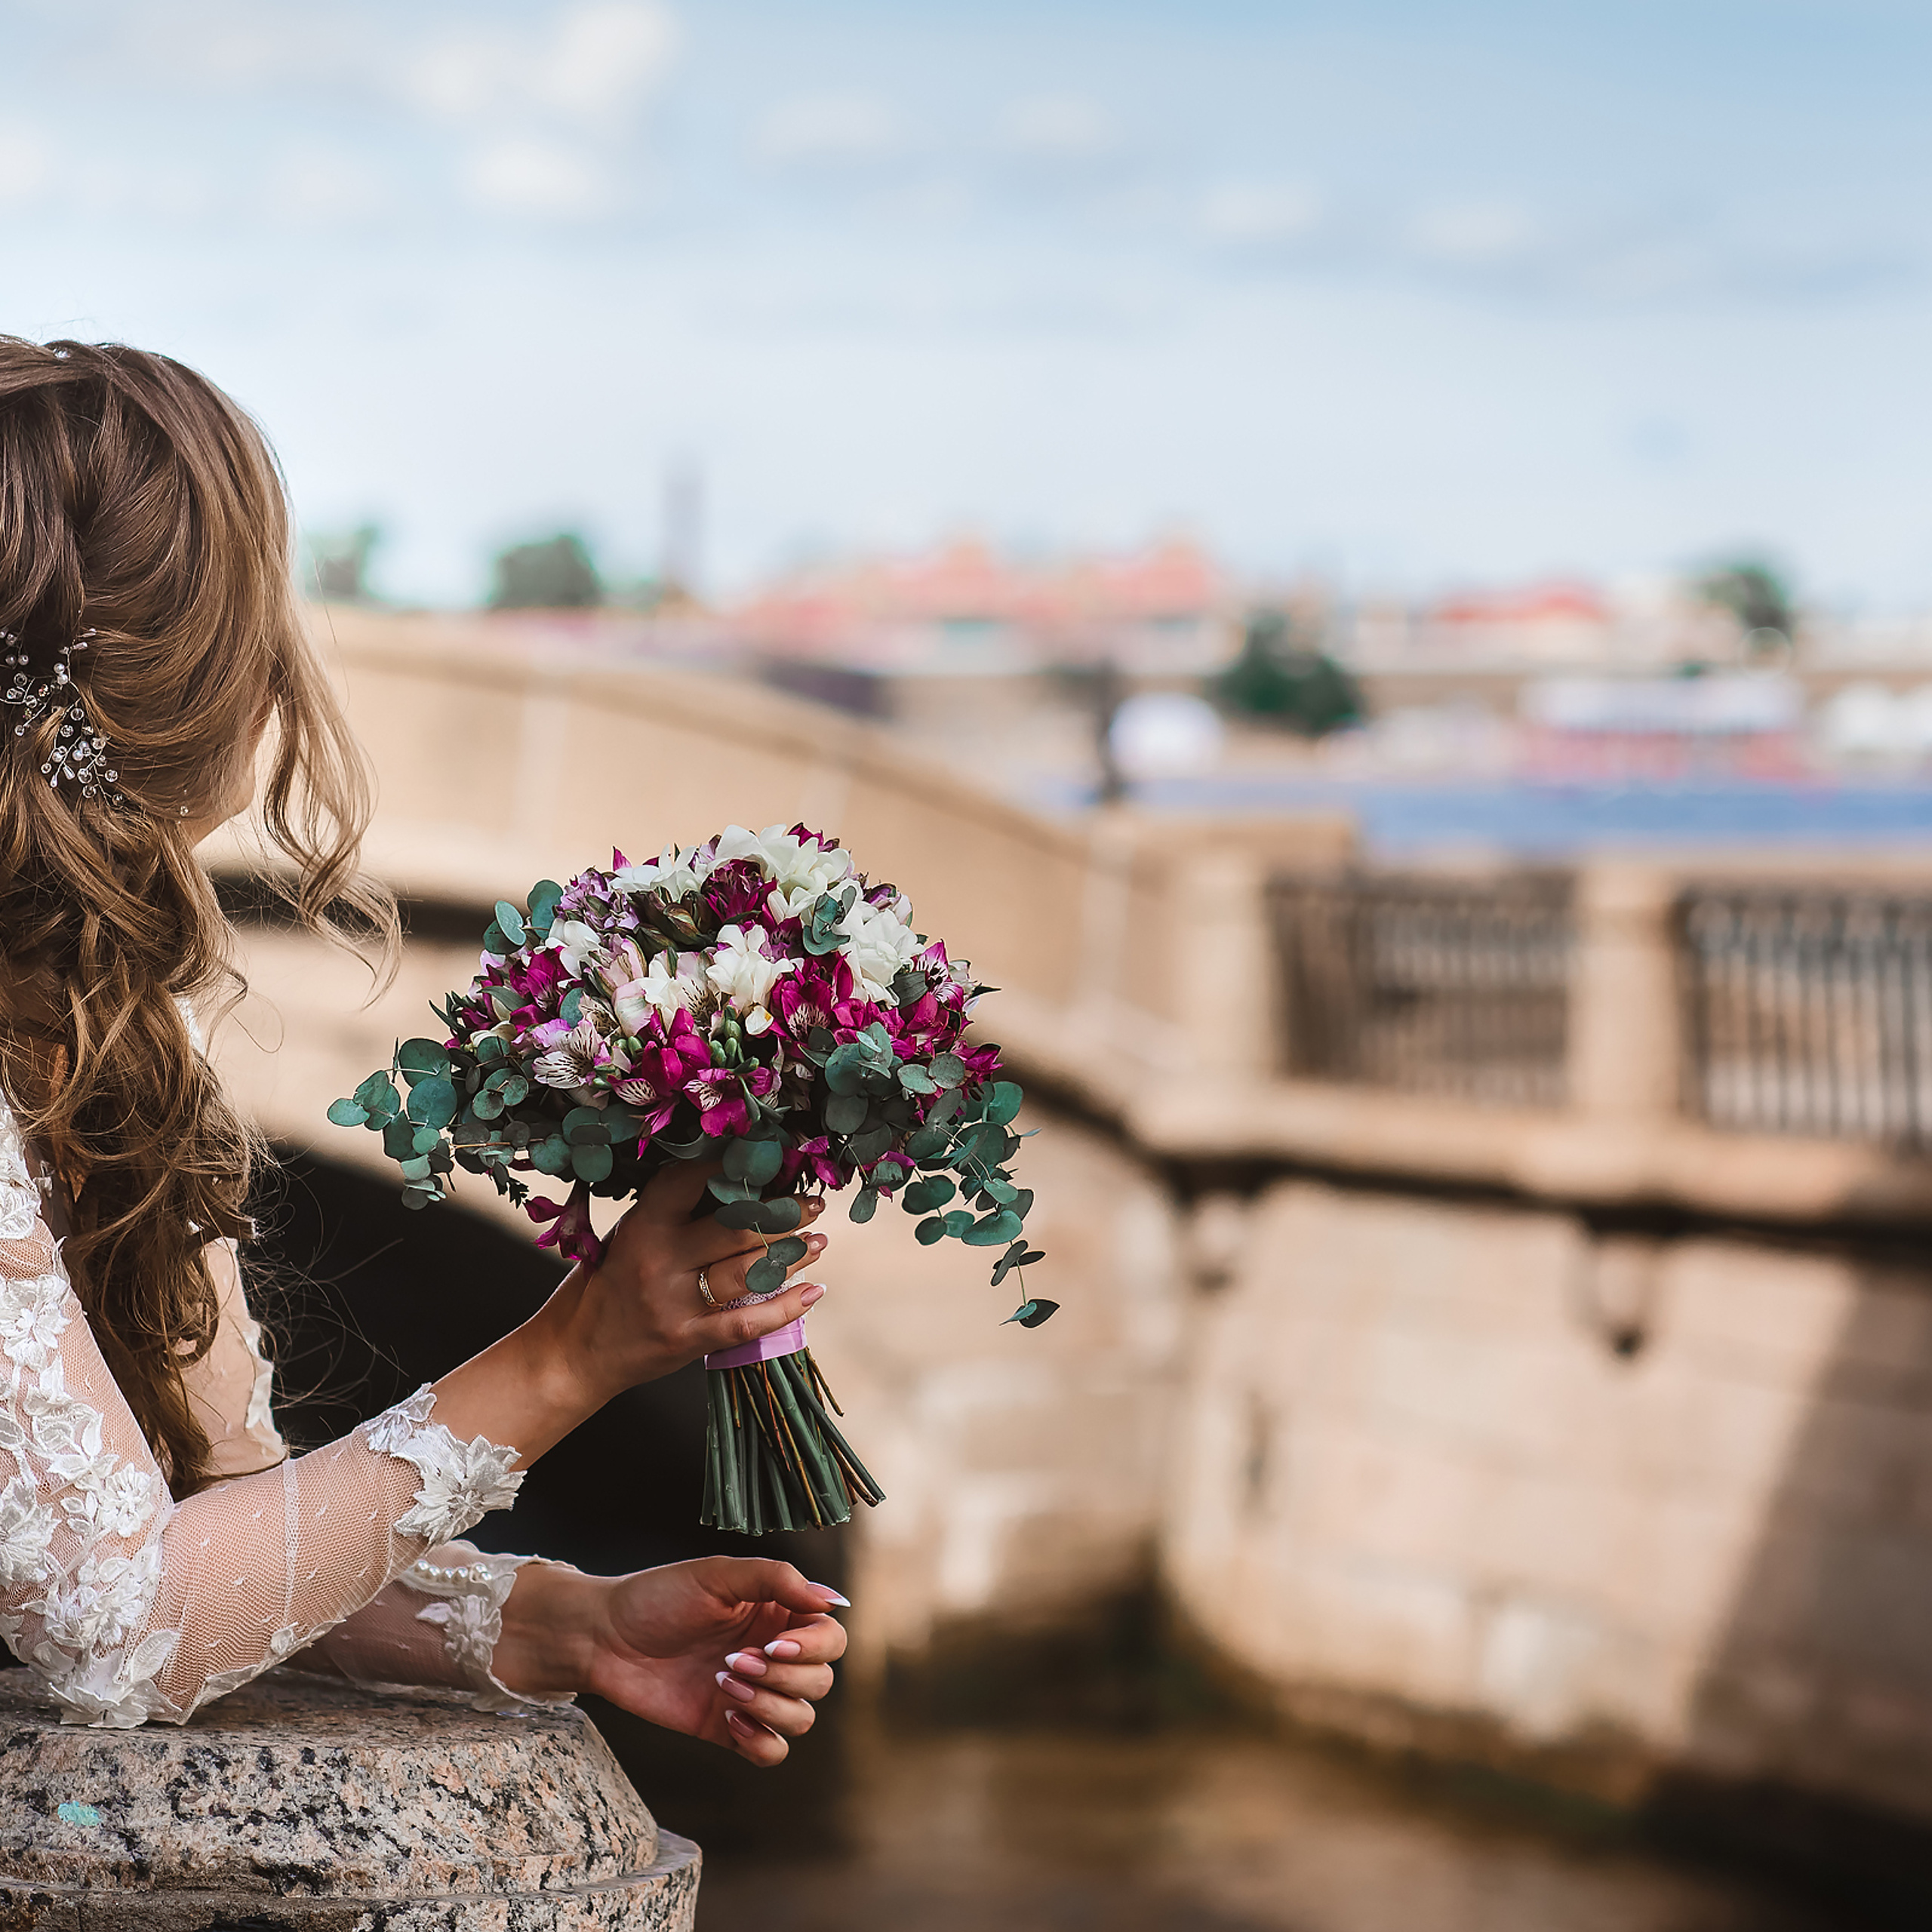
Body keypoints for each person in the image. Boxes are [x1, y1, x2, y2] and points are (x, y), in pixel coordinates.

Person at [0, 336, 844, 1758]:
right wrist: (573, 1352)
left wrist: (565, 1622)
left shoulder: (100, 1020)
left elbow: (215, 1536)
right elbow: (111, 1622)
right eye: (264, 616)